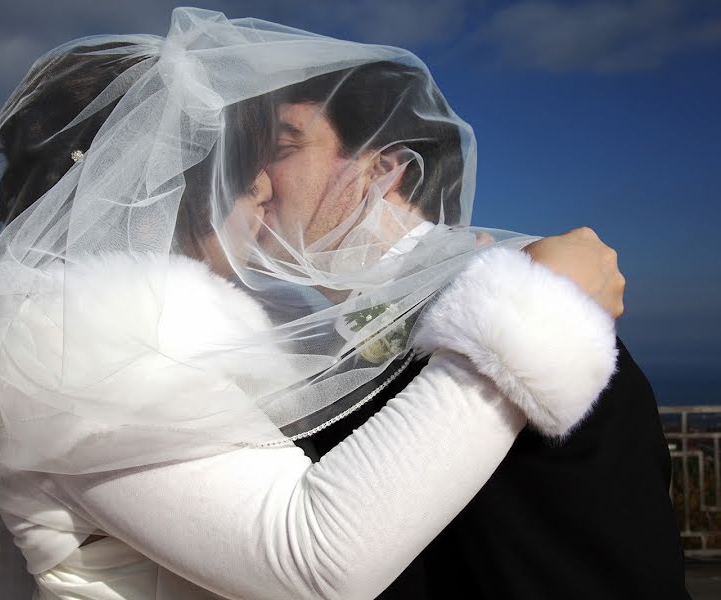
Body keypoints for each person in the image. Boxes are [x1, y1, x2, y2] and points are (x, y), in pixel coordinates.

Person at [0, 9, 622, 600]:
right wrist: (535, 311)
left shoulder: (111, 328)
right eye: (238, 164)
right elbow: (315, 561)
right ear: (155, 181)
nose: (261, 189)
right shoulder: (71, 339)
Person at [270, 51, 690, 600]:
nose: (254, 181)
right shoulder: (337, 331)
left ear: (383, 168)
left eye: (282, 147)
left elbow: (599, 550)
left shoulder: (529, 305)